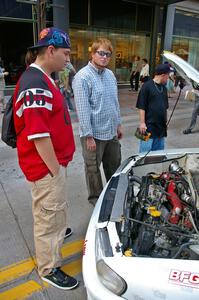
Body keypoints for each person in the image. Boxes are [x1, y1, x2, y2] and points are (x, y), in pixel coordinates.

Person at [13, 27, 78, 290]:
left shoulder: (44, 78)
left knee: (54, 212)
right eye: (65, 53)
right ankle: (49, 268)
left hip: (52, 165)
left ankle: (59, 230)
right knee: (48, 217)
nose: (68, 58)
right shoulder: (34, 82)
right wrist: (54, 170)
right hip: (45, 168)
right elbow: (39, 136)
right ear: (50, 50)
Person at [72, 38, 123, 206]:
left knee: (114, 167)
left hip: (111, 132)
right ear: (92, 54)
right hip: (93, 136)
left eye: (108, 54)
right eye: (101, 53)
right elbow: (82, 108)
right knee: (93, 170)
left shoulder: (110, 75)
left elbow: (114, 102)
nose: (104, 57)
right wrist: (88, 136)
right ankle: (97, 202)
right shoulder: (82, 77)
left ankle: (113, 196)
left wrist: (118, 124)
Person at [136, 63, 170, 153]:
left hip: (161, 128)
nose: (168, 79)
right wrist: (142, 123)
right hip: (147, 127)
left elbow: (165, 107)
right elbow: (141, 106)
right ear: (163, 75)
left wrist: (165, 122)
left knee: (158, 155)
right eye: (167, 76)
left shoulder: (164, 88)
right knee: (144, 154)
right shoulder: (146, 86)